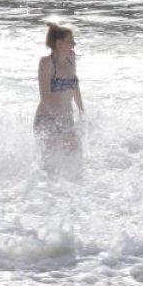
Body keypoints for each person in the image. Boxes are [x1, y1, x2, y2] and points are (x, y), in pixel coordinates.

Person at [35, 21, 84, 176]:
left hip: (66, 119)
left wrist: (82, 112)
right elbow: (45, 97)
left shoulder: (71, 58)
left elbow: (74, 85)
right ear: (59, 43)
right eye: (71, 41)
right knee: (50, 167)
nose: (74, 45)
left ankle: (75, 195)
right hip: (47, 120)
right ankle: (46, 196)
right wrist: (60, 122)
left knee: (75, 162)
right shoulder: (46, 63)